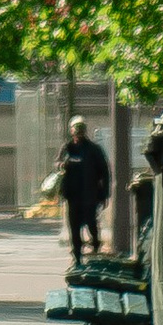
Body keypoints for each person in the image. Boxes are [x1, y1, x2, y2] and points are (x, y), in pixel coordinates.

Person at [53, 115, 112, 269]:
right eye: (76, 130)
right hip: (72, 195)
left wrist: (104, 194)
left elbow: (104, 172)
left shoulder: (94, 150)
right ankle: (77, 257)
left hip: (90, 195)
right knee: (74, 227)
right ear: (72, 131)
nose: (78, 134)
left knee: (91, 223)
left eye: (81, 130)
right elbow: (58, 163)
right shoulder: (67, 148)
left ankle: (95, 245)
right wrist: (62, 165)